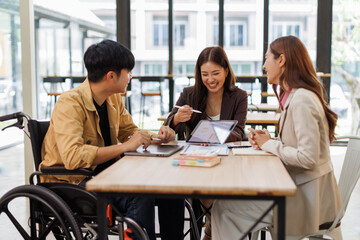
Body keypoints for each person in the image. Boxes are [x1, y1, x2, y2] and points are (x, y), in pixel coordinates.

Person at [41, 39, 184, 240]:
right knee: (139, 193)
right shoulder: (69, 103)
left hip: (106, 176)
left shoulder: (113, 98)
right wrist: (126, 145)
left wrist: (157, 136)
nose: (130, 77)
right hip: (72, 182)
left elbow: (129, 132)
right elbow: (73, 157)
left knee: (171, 188)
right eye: (128, 72)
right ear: (111, 76)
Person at [212, 36, 342, 239]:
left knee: (224, 208)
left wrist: (271, 144)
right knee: (223, 205)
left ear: (281, 60)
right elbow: (298, 145)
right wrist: (271, 141)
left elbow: (308, 158)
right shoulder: (295, 95)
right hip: (301, 190)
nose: (264, 66)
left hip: (307, 199)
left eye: (266, 59)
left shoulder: (302, 100)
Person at [164, 46, 248, 240]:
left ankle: (211, 229)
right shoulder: (190, 94)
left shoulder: (239, 96)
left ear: (226, 71)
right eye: (205, 74)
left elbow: (239, 132)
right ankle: (212, 227)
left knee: (217, 190)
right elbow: (169, 127)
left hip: (226, 160)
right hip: (196, 160)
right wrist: (177, 118)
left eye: (216, 73)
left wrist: (211, 133)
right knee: (205, 190)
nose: (210, 80)